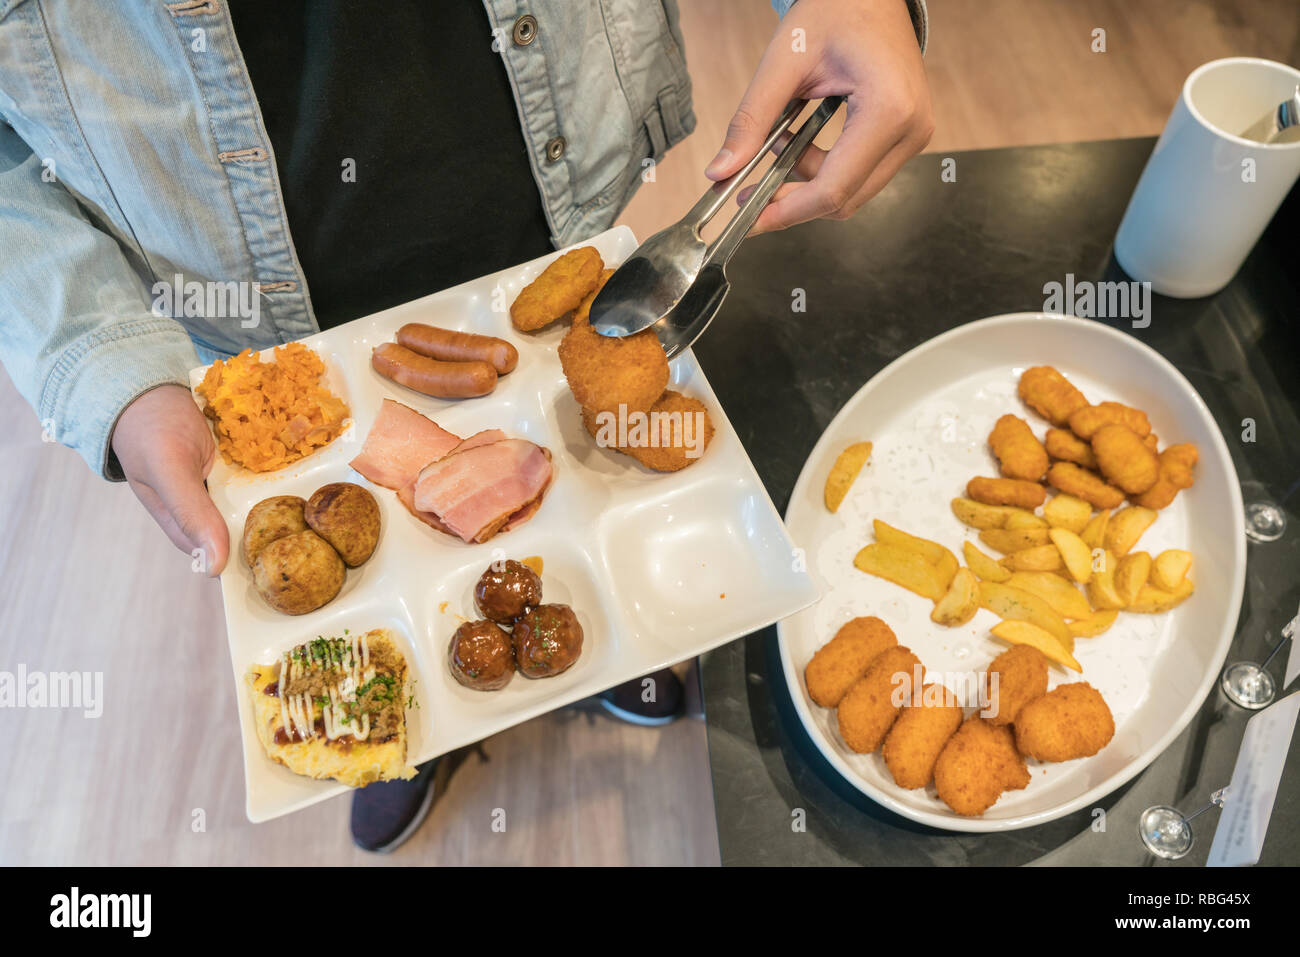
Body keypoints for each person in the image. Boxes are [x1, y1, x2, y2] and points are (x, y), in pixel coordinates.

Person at [0, 0, 931, 851]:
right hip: (249, 301)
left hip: (560, 180)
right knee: (414, 666)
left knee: (601, 564)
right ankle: (417, 732)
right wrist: (101, 364)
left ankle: (603, 656)